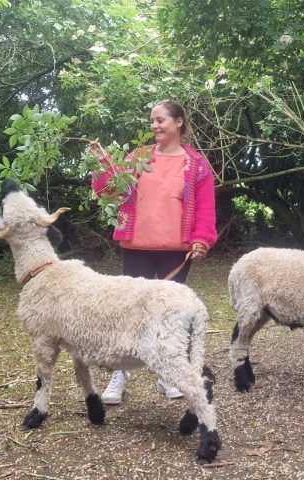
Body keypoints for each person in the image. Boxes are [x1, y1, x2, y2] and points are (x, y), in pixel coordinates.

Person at [90, 99, 218, 405]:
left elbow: (205, 208)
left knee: (169, 315)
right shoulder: (138, 157)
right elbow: (111, 190)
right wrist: (102, 164)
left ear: (178, 122)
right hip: (137, 247)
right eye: (152, 121)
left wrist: (202, 239)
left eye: (160, 120)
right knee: (130, 313)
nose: (154, 126)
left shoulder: (197, 164)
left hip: (177, 250)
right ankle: (121, 372)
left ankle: (166, 373)